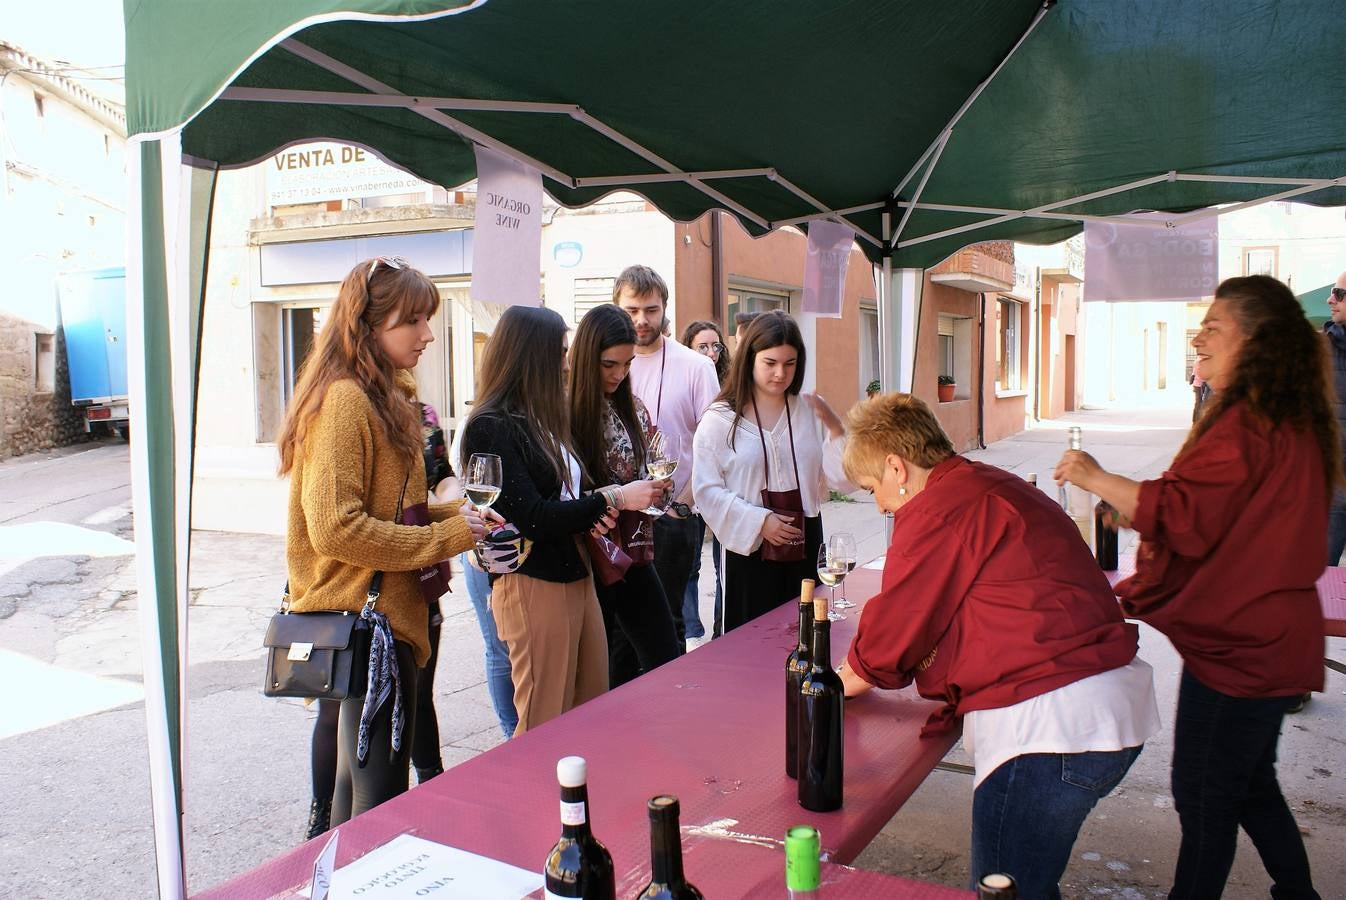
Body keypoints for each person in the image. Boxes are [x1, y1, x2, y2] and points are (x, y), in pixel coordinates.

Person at [1055, 274, 1333, 899]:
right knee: (1250, 783)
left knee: (1204, 795)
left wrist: (1097, 477)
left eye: (1214, 327)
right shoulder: (1283, 418)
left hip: (1245, 648)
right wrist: (1133, 508)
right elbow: (1228, 518)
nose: (1198, 337)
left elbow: (1186, 511)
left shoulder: (1249, 422)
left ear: (1256, 341)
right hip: (1265, 640)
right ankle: (1300, 893)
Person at [839, 392, 1159, 898]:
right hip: (1099, 709)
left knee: (1007, 892)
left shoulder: (936, 511)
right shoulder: (990, 483)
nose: (877, 504)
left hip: (1051, 728)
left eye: (872, 487)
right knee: (1027, 885)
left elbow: (891, 638)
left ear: (897, 468)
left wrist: (837, 682)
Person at [278, 256, 489, 830]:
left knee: (360, 793)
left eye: (428, 320)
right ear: (366, 326)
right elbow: (336, 526)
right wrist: (451, 533)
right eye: (411, 322)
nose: (427, 334)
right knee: (377, 805)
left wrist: (459, 516)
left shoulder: (385, 393)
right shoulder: (347, 399)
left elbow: (391, 510)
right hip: (368, 623)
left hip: (384, 620)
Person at [459, 305, 668, 733]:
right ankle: (534, 800)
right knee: (543, 722)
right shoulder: (492, 424)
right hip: (534, 581)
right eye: (559, 352)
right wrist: (615, 498)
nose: (566, 362)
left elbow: (563, 498)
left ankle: (577, 799)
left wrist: (597, 505)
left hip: (575, 572)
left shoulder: (541, 417)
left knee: (587, 711)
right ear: (531, 356)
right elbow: (533, 516)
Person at [692, 310, 851, 633]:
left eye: (789, 363)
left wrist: (836, 429)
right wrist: (759, 520)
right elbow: (706, 491)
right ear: (750, 358)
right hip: (749, 553)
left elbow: (842, 479)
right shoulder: (720, 419)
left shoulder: (808, 410)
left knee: (808, 635)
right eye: (770, 363)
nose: (780, 373)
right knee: (751, 644)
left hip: (805, 542)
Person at [571, 305, 681, 686]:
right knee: (600, 671)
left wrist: (656, 492)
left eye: (627, 364)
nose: (619, 374)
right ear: (586, 358)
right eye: (609, 365)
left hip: (633, 551)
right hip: (588, 557)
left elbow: (654, 465)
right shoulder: (561, 410)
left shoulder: (631, 406)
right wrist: (613, 497)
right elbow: (557, 491)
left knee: (665, 655)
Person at [614, 266, 719, 650]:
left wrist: (684, 506)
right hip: (615, 516)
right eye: (631, 310)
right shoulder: (605, 365)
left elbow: (715, 444)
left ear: (665, 309)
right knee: (618, 634)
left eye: (651, 310)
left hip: (673, 517)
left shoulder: (697, 366)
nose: (642, 320)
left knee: (668, 626)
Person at [444, 424, 517, 741]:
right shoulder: (480, 423)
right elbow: (454, 484)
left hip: (514, 548)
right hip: (482, 549)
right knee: (499, 647)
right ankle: (511, 734)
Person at [680, 319, 732, 641]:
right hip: (690, 486)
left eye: (716, 346)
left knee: (723, 566)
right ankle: (692, 633)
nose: (711, 352)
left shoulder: (729, 383)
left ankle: (721, 633)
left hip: (724, 486)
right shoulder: (686, 378)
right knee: (690, 566)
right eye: (703, 346)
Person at [1324, 269, 1346, 567]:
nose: (1330, 299)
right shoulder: (1320, 350)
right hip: (1333, 483)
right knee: (1319, 576)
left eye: (1339, 293)